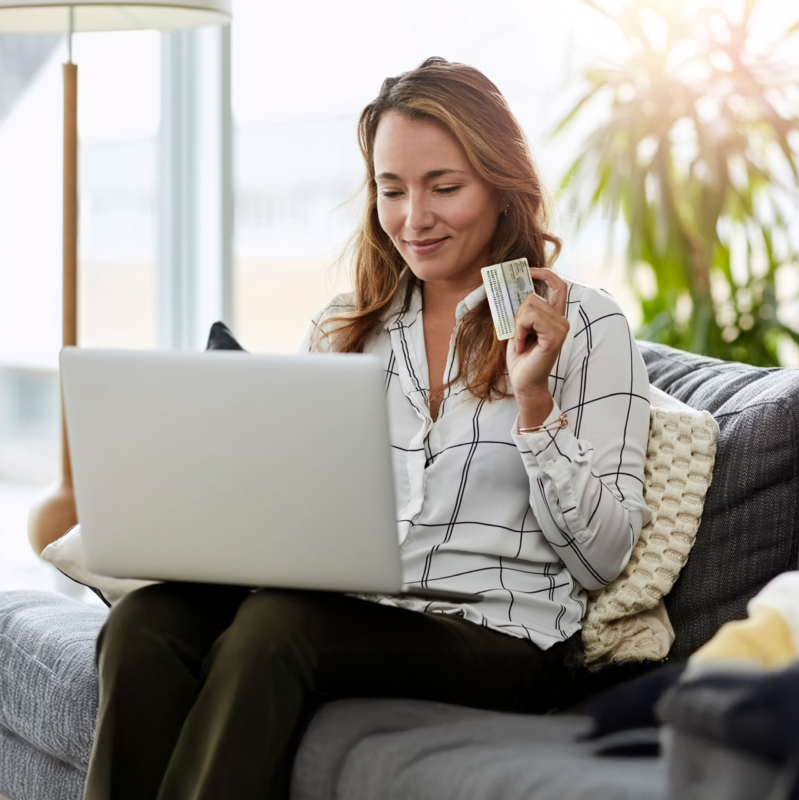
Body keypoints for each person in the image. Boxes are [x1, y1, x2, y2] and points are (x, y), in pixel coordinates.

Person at [83, 57, 652, 800]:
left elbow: (606, 556)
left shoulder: (587, 324)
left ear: (501, 182)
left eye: (444, 187)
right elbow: (286, 506)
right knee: (147, 622)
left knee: (276, 627)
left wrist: (535, 401)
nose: (414, 218)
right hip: (361, 613)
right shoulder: (346, 331)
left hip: (506, 634)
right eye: (392, 190)